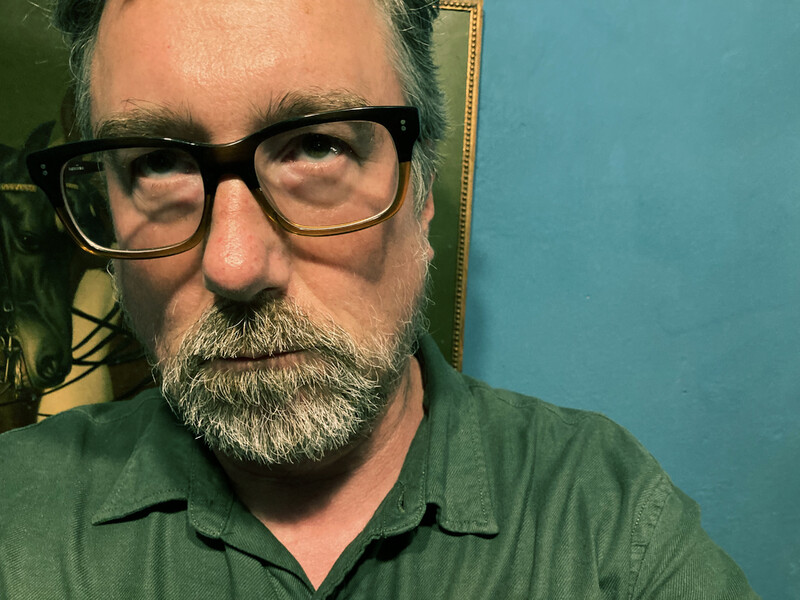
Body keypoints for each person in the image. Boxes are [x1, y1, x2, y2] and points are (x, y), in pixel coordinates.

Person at [0, 0, 761, 597]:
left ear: (421, 191)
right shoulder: (18, 518)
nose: (234, 265)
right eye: (157, 164)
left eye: (316, 146)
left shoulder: (601, 518)